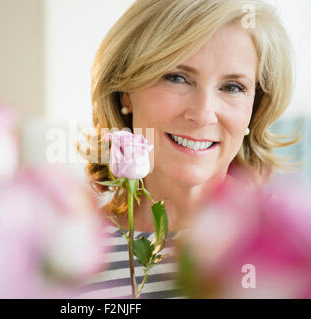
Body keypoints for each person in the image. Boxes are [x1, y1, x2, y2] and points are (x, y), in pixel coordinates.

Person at [78, 0, 299, 299]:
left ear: (255, 109)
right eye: (177, 77)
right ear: (125, 92)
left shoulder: (295, 248)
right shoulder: (72, 250)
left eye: (232, 87)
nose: (204, 113)